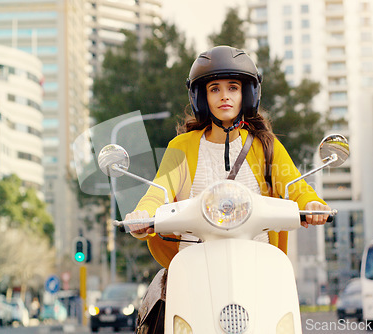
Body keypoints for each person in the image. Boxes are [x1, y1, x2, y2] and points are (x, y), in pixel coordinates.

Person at [125, 45, 331, 333]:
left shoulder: (265, 145)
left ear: (246, 94)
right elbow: (158, 190)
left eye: (233, 88)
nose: (224, 96)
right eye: (214, 89)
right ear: (201, 97)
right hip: (195, 270)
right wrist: (144, 212)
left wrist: (312, 205)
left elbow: (296, 186)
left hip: (258, 269)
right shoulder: (181, 148)